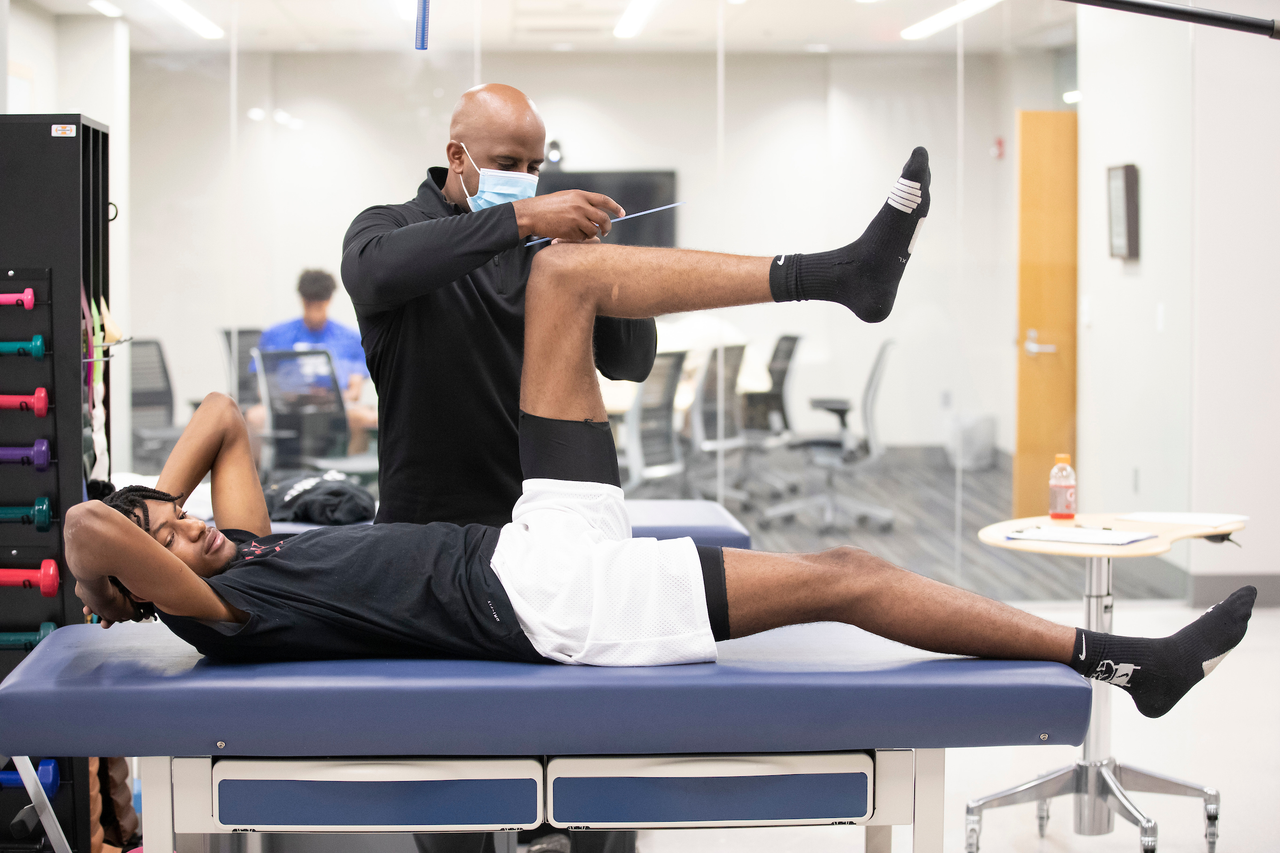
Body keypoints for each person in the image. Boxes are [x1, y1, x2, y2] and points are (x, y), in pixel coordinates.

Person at [67, 146, 1254, 728]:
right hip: (550, 605)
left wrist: (159, 508)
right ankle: (1114, 657)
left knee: (563, 278)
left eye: (174, 517)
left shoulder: (245, 552)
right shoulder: (221, 617)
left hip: (533, 538)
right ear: (152, 584)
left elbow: (219, 417)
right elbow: (84, 522)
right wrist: (116, 568)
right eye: (164, 539)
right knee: (845, 577)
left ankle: (837, 274)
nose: (185, 527)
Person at [341, 83, 658, 528]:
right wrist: (523, 217)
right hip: (425, 529)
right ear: (457, 156)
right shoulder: (391, 226)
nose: (525, 179)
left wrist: (601, 261)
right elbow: (371, 273)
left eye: (534, 167)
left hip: (537, 525)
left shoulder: (550, 253)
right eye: (507, 164)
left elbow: (632, 362)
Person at [245, 269, 378, 456]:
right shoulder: (276, 335)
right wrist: (291, 396)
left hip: (334, 409)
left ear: (329, 300)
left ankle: (352, 477)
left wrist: (329, 398)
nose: (314, 311)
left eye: (320, 304)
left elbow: (354, 392)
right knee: (255, 417)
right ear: (302, 300)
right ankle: (258, 479)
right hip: (286, 407)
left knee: (369, 418)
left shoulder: (349, 339)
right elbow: (263, 389)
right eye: (309, 303)